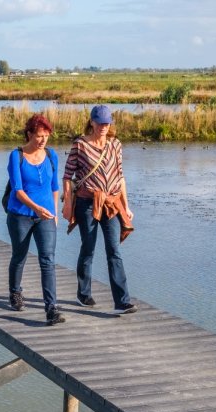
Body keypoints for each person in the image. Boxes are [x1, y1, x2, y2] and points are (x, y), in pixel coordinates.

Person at [61, 104, 137, 314]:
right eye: (100, 122)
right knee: (88, 247)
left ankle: (122, 301)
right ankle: (83, 294)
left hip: (111, 204)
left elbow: (120, 177)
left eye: (107, 122)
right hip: (87, 203)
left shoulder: (115, 145)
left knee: (114, 250)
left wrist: (126, 206)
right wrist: (68, 204)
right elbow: (67, 176)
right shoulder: (80, 145)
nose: (104, 126)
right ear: (92, 122)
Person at [6, 113, 65, 325]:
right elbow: (18, 190)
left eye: (46, 136)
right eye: (39, 136)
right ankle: (15, 292)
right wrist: (36, 208)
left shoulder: (51, 156)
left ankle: (51, 309)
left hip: (46, 218)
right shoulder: (17, 156)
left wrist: (54, 213)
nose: (43, 140)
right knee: (19, 256)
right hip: (20, 216)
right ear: (29, 134)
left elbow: (54, 187)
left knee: (47, 260)